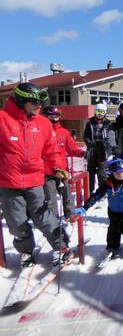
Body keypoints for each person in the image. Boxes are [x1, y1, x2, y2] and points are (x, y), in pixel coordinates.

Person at [0, 83, 71, 266]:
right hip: (9, 182)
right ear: (21, 100)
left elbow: (51, 150)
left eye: (41, 102)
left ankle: (61, 246)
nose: (39, 106)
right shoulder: (3, 119)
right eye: (34, 102)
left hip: (35, 181)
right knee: (17, 222)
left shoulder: (43, 124)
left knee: (44, 217)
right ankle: (26, 250)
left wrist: (57, 168)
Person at [42, 106, 85, 221]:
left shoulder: (64, 132)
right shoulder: (41, 131)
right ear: (45, 116)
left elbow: (71, 149)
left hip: (62, 170)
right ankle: (53, 219)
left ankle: (70, 214)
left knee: (67, 192)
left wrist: (83, 154)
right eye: (52, 115)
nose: (55, 118)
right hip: (47, 171)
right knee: (50, 197)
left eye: (57, 115)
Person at [84, 103, 114, 194]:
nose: (100, 114)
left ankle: (102, 190)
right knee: (90, 171)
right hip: (92, 150)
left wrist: (107, 145)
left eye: (102, 112)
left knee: (102, 172)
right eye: (98, 112)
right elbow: (86, 136)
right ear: (95, 112)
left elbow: (111, 137)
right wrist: (89, 143)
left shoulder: (108, 123)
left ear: (105, 113)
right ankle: (90, 191)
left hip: (103, 151)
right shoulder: (90, 122)